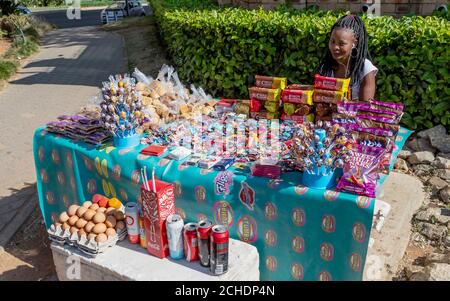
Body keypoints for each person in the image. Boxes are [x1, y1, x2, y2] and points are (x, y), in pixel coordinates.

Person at [317, 14, 377, 101]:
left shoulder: (365, 68)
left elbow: (365, 107)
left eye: (341, 44)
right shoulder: (326, 67)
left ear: (354, 43)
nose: (335, 47)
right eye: (332, 41)